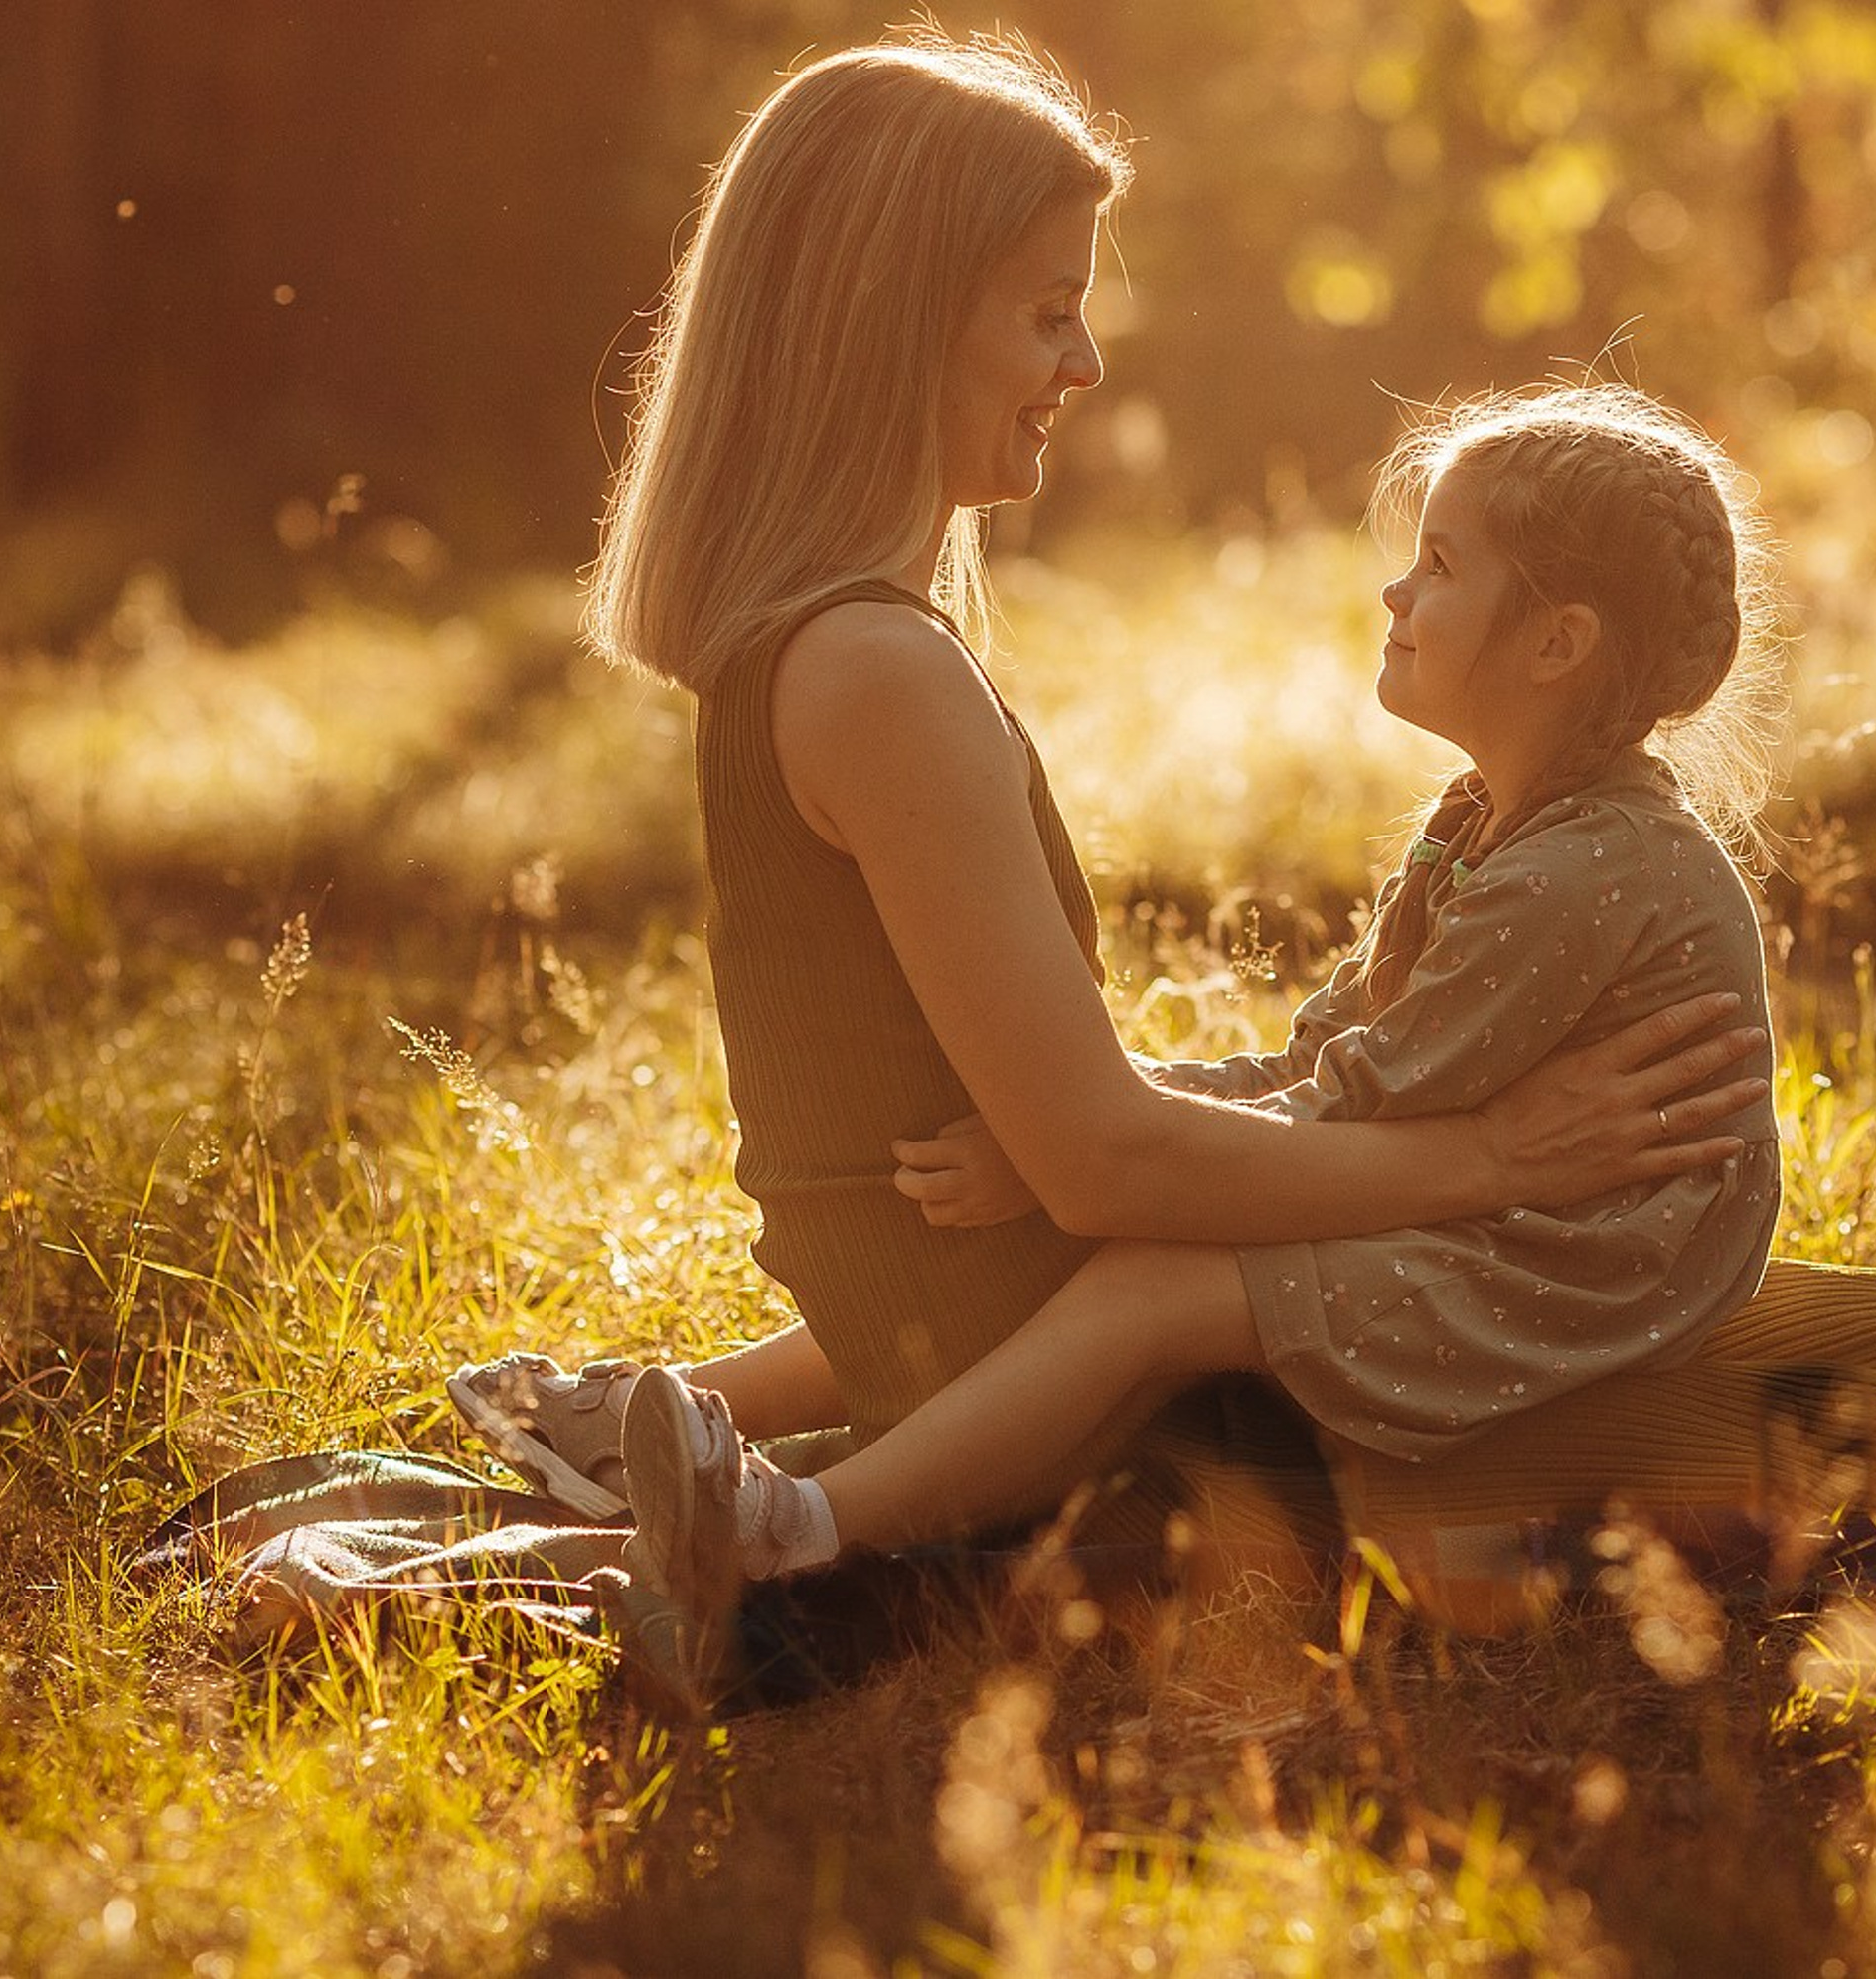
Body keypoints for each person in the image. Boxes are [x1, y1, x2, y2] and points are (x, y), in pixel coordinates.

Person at [453, 28, 1876, 1700]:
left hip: (1200, 1340)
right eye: (1048, 312)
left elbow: (1103, 1154)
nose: (1087, 365)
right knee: (1866, 1386)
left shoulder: (823, 650)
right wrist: (1503, 1153)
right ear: (893, 319)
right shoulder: (877, 670)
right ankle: (782, 1515)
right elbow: (1112, 1165)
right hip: (1223, 1412)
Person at [615, 380, 1806, 1596]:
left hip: (1587, 1268)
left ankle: (803, 1532)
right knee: (1113, 1225)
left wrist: (1091, 1146)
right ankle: (637, 1427)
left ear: (1557, 642)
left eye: (1441, 565)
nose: (1396, 593)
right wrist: (1093, 1122)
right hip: (1524, 1220)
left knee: (1150, 1286)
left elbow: (1360, 1107)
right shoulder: (1484, 826)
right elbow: (1317, 1066)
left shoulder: (1579, 872)